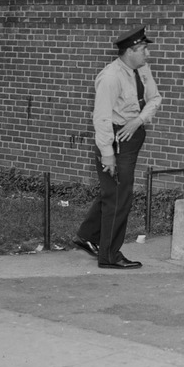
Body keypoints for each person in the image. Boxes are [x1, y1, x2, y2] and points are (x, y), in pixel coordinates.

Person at [74, 26, 162, 268]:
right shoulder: (110, 77)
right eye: (143, 49)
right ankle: (110, 256)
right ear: (129, 51)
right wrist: (107, 156)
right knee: (119, 198)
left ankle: (88, 236)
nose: (147, 54)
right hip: (115, 140)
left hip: (131, 134)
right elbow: (101, 119)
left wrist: (138, 120)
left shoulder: (142, 69)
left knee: (113, 193)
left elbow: (155, 98)